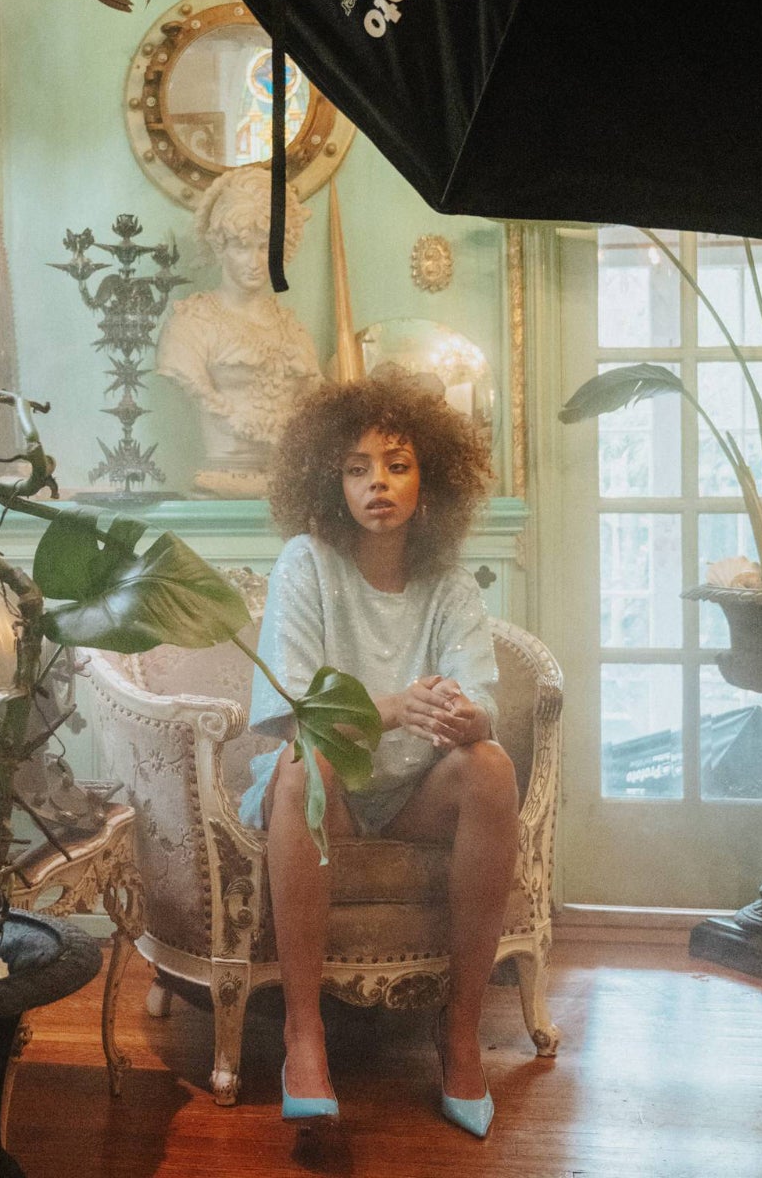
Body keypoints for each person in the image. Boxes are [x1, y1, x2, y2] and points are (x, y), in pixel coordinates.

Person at [238, 372, 518, 1138]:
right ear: (332, 483)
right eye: (357, 468)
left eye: (395, 464)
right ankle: (305, 1036)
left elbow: (483, 706)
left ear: (429, 481)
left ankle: (460, 1035)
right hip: (324, 787)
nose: (378, 484)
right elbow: (293, 713)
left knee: (492, 767)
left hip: (411, 790)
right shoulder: (307, 561)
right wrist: (395, 706)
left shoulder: (451, 583)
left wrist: (463, 716)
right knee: (308, 762)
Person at [155, 166, 321, 496]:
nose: (255, 261)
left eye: (264, 248)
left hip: (283, 487)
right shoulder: (192, 325)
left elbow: (310, 399)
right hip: (219, 474)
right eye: (242, 247)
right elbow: (181, 373)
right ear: (220, 247)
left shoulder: (293, 331)